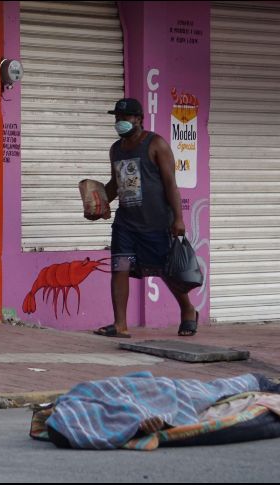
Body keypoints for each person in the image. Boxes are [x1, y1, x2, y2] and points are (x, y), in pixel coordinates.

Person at [91, 98, 197, 338]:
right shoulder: (116, 149)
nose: (120, 122)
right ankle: (120, 325)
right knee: (120, 267)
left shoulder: (155, 144)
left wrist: (178, 219)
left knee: (166, 271)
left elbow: (171, 184)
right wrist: (99, 203)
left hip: (157, 221)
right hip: (126, 223)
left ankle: (188, 309)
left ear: (138, 119)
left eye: (125, 118)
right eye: (117, 118)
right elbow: (115, 184)